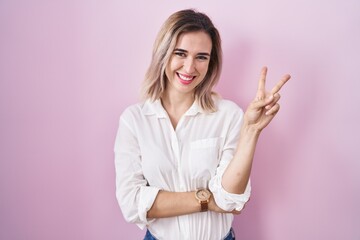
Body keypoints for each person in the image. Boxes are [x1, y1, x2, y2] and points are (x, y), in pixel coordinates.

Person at [114, 9, 290, 240]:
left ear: (210, 62)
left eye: (201, 57)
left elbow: (230, 200)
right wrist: (207, 198)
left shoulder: (228, 115)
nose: (189, 68)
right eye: (181, 53)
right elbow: (131, 203)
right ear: (163, 53)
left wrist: (251, 130)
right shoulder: (134, 121)